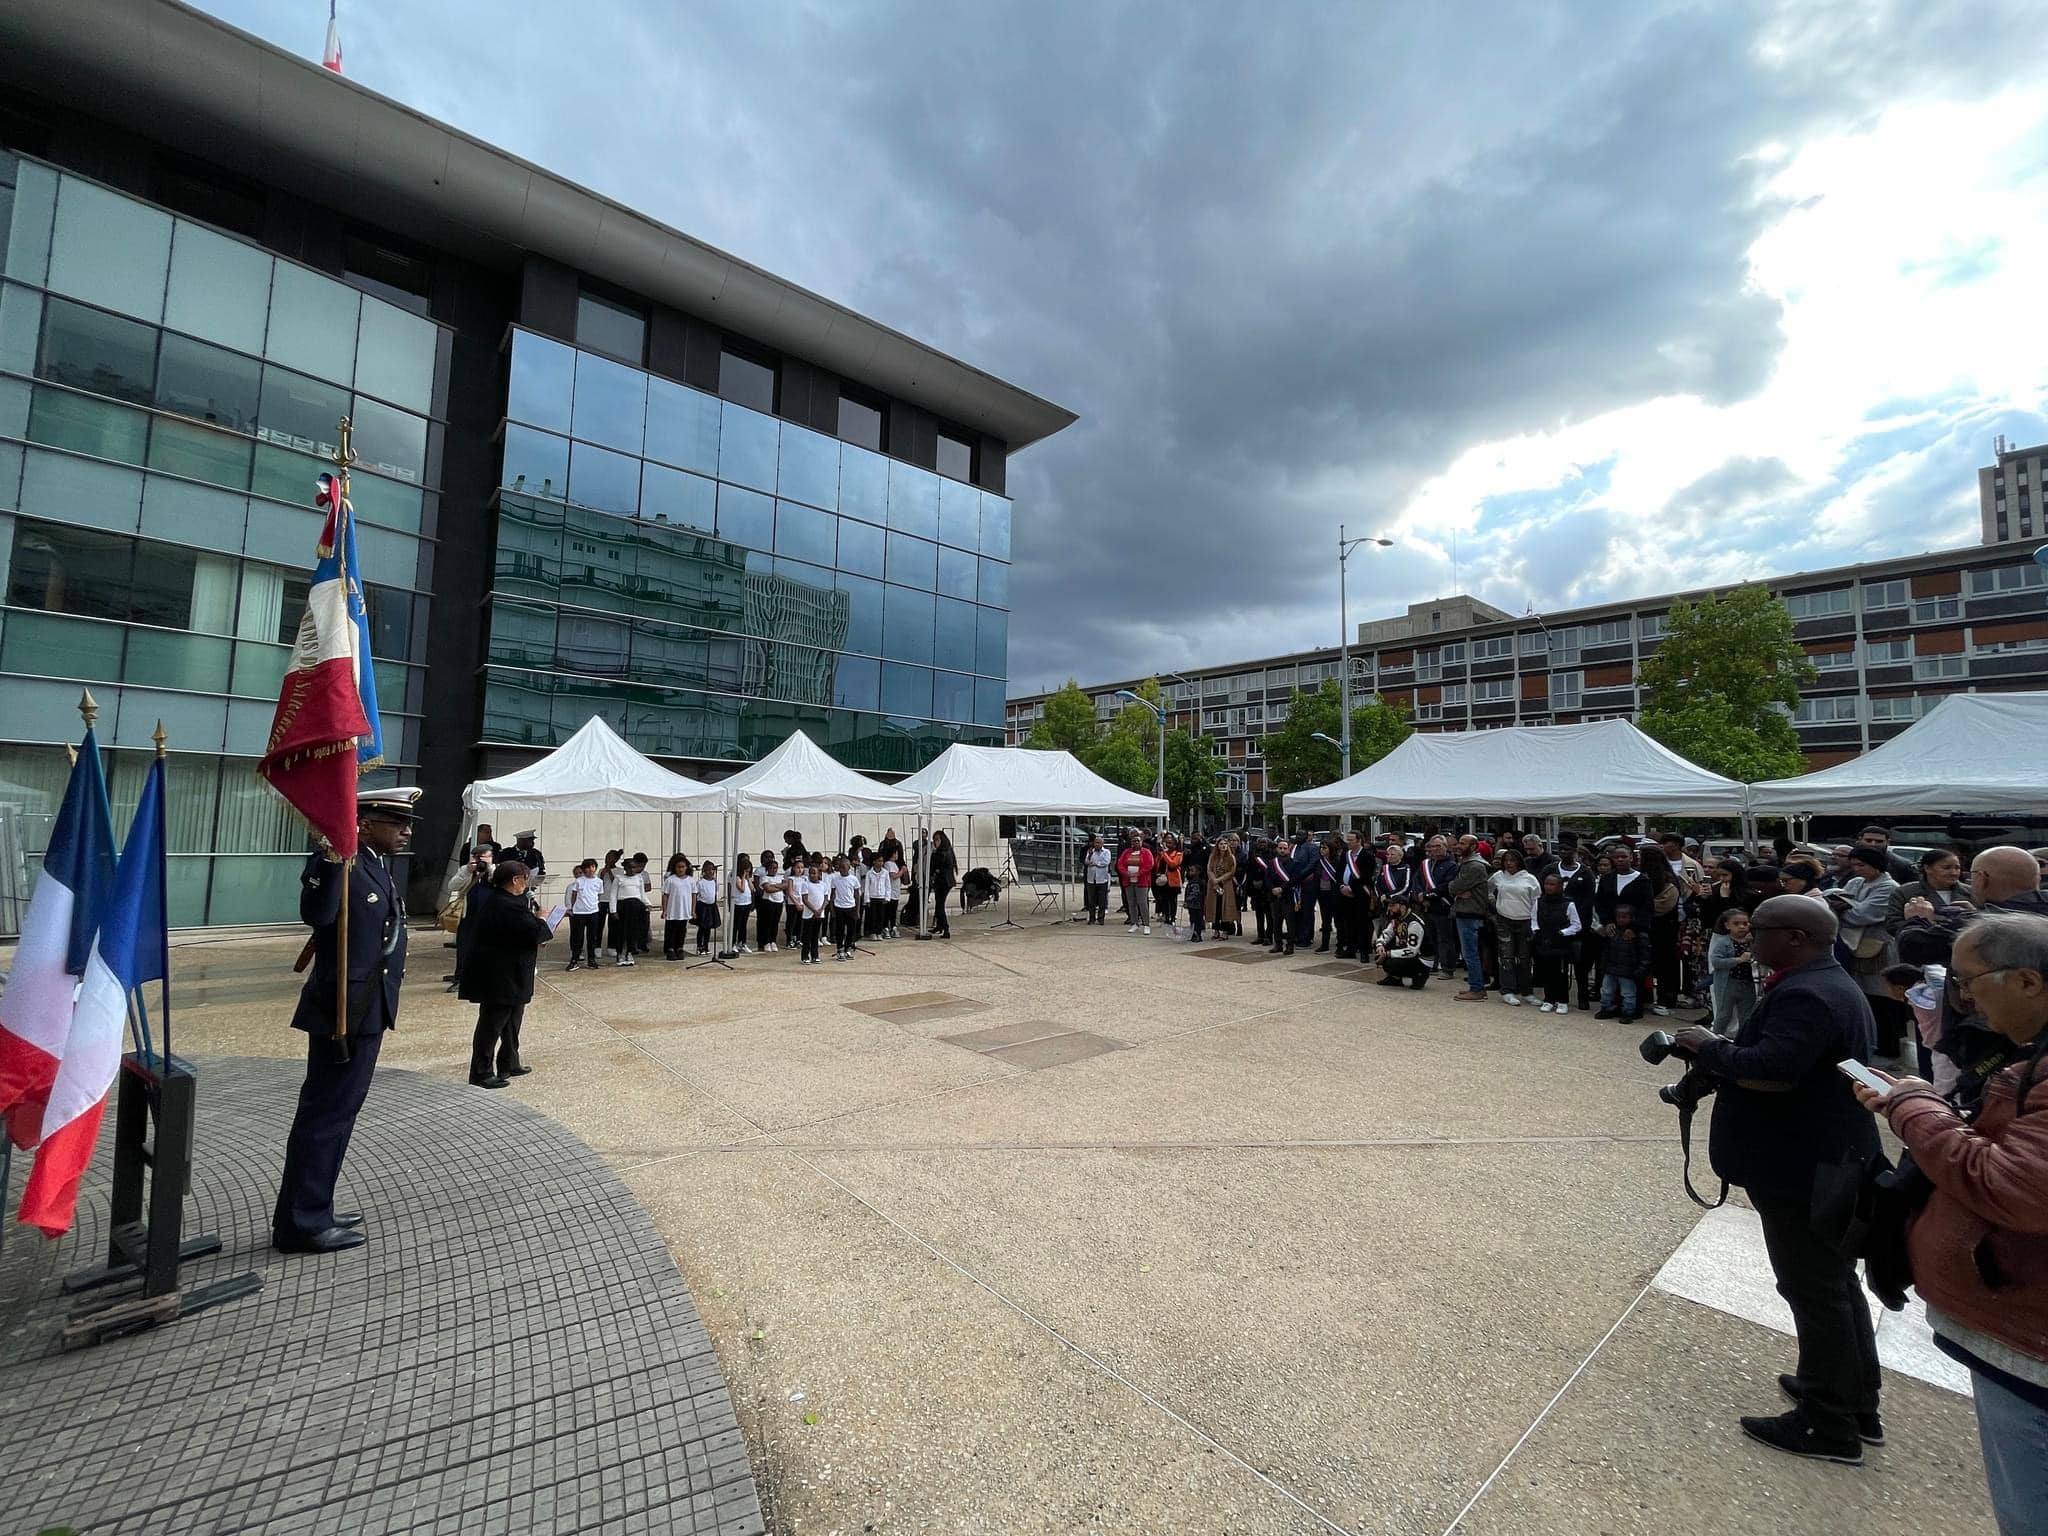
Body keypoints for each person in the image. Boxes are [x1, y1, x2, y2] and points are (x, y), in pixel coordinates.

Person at [1851, 913, 2048, 1530]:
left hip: (2029, 1332)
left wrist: (1913, 1108)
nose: (1961, 1000)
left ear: (2026, 982)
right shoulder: (2026, 1057)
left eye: (1969, 982)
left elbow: (2010, 1187)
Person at [1672, 896, 1883, 1465]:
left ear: (1795, 937)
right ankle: (1853, 1397)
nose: (1749, 941)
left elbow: (1772, 1068)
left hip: (1800, 1164)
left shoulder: (1808, 993)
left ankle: (1827, 1423)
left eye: (1757, 930)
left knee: (1814, 1288)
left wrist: (1706, 1046)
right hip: (1825, 1156)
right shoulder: (1828, 982)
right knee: (1833, 1283)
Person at [272, 787, 419, 1255]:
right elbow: (317, 913)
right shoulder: (342, 860)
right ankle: (302, 1222)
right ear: (366, 822)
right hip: (343, 1012)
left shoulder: (373, 863)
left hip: (366, 1008)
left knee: (339, 1113)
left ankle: (315, 1205)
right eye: (397, 823)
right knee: (326, 1114)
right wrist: (332, 855)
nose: (406, 831)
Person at [461, 857, 554, 1090]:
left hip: (513, 973)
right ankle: (481, 1072)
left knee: (512, 1022)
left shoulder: (510, 901)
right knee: (491, 1025)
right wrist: (542, 919)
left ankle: (509, 1062)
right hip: (500, 976)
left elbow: (524, 933)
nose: (527, 885)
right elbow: (533, 932)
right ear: (515, 880)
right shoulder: (504, 905)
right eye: (525, 880)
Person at [1827, 845, 1904, 1062]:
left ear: (1876, 866)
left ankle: (1890, 1046)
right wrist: (1840, 905)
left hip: (1880, 947)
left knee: (1885, 996)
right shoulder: (1855, 882)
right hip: (1855, 946)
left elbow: (1864, 915)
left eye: (1862, 865)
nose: (1857, 869)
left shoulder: (1889, 887)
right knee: (1865, 995)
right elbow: (1832, 899)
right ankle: (1873, 1039)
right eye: (1854, 865)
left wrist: (1842, 908)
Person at [1488, 847, 1540, 1005]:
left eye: (1512, 860)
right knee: (1506, 957)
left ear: (1519, 862)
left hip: (1525, 921)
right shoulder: (1498, 876)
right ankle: (1507, 990)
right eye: (1506, 861)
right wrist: (1494, 905)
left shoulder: (1529, 879)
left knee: (1525, 958)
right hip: (1504, 920)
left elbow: (1536, 902)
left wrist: (1535, 923)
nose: (1509, 864)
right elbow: (1488, 889)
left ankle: (1526, 991)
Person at [1553, 840, 1599, 1011]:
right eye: (1560, 849)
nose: (1563, 852)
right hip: (1556, 926)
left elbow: (1588, 901)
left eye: (1567, 849)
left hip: (1579, 926)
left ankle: (1583, 997)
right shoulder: (1550, 869)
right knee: (1558, 965)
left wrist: (1578, 922)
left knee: (1581, 964)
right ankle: (1559, 997)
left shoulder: (1586, 873)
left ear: (1575, 851)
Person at [1530, 871, 1583, 1013]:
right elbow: (1534, 920)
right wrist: (1536, 931)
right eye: (1546, 884)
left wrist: (1563, 933)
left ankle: (1562, 1001)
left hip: (1561, 944)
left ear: (1560, 887)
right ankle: (1549, 999)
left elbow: (1576, 925)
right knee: (1547, 973)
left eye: (1552, 884)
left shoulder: (1568, 904)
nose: (1548, 887)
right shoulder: (1539, 902)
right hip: (1544, 942)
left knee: (1561, 974)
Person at [1449, 835, 1492, 1000]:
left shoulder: (1474, 866)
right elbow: (1454, 887)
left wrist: (1457, 889)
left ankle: (1477, 988)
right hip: (1464, 911)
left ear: (1474, 846)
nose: (1458, 846)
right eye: (1458, 842)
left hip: (1470, 913)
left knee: (1470, 953)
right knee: (1470, 952)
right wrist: (1458, 890)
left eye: (1463, 843)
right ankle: (1476, 985)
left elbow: (1454, 887)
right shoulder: (1467, 864)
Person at [1886, 846, 1967, 931]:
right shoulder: (1905, 892)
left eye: (1957, 868)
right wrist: (1921, 923)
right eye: (1946, 868)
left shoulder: (1972, 892)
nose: (1954, 873)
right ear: (1927, 868)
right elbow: (1893, 925)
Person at [1593, 904, 1651, 1022]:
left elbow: (1645, 955)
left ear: (1632, 918)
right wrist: (1603, 966)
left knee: (1628, 994)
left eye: (1624, 917)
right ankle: (1605, 1009)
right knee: (1606, 991)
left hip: (1628, 971)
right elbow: (1606, 951)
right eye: (1618, 917)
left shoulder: (1638, 935)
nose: (1621, 919)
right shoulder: (1612, 932)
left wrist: (1640, 970)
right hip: (1611, 969)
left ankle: (1628, 1013)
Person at [1707, 908, 1758, 1037]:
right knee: (1723, 1015)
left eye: (1745, 924)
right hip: (1728, 984)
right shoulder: (1724, 942)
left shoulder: (1752, 943)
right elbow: (1716, 962)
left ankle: (1742, 1042)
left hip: (1747, 984)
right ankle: (1713, 1040)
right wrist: (1738, 960)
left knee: (1746, 1016)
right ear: (1727, 925)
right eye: (1736, 924)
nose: (1741, 927)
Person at [1372, 897, 1430, 989]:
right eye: (1389, 906)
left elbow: (1412, 951)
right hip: (1408, 951)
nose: (1389, 909)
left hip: (1422, 958)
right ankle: (1395, 978)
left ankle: (1420, 975)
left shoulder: (1414, 923)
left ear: (1403, 907)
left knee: (1390, 962)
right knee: (1380, 950)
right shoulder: (1397, 918)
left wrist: (1387, 954)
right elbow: (1386, 934)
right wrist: (1380, 946)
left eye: (1392, 906)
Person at [564, 858, 603, 971]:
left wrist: (595, 906)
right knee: (578, 937)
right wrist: (572, 908)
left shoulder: (599, 882)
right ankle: (574, 959)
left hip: (593, 912)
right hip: (579, 912)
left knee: (592, 937)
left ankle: (591, 959)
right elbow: (574, 895)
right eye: (587, 867)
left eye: (592, 867)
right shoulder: (579, 881)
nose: (590, 869)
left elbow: (599, 895)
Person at [612, 854, 650, 966]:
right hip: (623, 906)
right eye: (630, 867)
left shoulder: (639, 878)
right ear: (625, 868)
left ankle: (629, 952)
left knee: (633, 931)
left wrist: (648, 904)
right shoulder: (619, 878)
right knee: (621, 931)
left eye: (634, 867)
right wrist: (613, 910)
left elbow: (642, 894)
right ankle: (620, 953)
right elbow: (613, 895)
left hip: (636, 907)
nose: (633, 870)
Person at [659, 854, 694, 961]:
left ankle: (679, 948)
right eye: (678, 867)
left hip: (684, 910)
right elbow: (665, 895)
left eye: (683, 867)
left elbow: (694, 895)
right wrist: (664, 910)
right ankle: (670, 948)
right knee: (671, 930)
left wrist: (693, 910)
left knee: (682, 930)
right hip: (672, 910)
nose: (681, 869)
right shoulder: (670, 880)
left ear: (686, 867)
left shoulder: (691, 880)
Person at [828, 852, 862, 959]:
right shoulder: (835, 879)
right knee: (840, 930)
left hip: (851, 907)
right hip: (839, 907)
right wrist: (832, 909)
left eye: (844, 867)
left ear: (849, 867)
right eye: (840, 867)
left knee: (851, 930)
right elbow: (832, 894)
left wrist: (857, 910)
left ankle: (847, 948)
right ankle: (839, 949)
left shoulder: (853, 879)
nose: (842, 869)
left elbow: (857, 895)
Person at [1119, 836, 1156, 935]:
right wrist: (1126, 873)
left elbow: (1149, 865)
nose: (1135, 843)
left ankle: (1146, 924)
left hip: (1142, 881)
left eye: (1138, 841)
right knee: (1131, 903)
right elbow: (1120, 864)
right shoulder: (1126, 852)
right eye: (1133, 841)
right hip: (1128, 881)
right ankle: (1134, 923)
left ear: (1141, 842)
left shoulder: (1146, 852)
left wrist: (1138, 873)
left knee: (1142, 903)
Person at [1205, 834, 1238, 939]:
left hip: (1225, 884)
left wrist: (1219, 879)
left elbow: (1231, 872)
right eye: (1221, 844)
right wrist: (1214, 880)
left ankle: (1225, 931)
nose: (1223, 846)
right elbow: (1209, 869)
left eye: (1225, 844)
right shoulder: (1213, 856)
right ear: (1217, 846)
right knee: (1215, 907)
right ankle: (1216, 930)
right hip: (1214, 885)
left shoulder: (1230, 857)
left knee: (1225, 908)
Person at [798, 854, 828, 963]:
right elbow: (805, 899)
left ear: (819, 874)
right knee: (807, 936)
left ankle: (815, 955)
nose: (812, 875)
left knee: (815, 936)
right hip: (809, 914)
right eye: (810, 873)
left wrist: (820, 910)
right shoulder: (805, 884)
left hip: (820, 913)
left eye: (814, 873)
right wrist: (814, 910)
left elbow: (826, 899)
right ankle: (805, 956)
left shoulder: (823, 885)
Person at [928, 830, 958, 938]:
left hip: (943, 882)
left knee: (940, 906)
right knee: (939, 904)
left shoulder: (941, 853)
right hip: (945, 881)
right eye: (934, 840)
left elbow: (934, 866)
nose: (935, 842)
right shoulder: (948, 850)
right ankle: (939, 926)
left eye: (937, 840)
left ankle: (946, 928)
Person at [755, 851, 785, 954]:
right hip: (768, 902)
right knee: (767, 922)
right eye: (772, 868)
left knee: (775, 922)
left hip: (779, 902)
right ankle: (766, 941)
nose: (774, 870)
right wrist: (778, 887)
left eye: (776, 868)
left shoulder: (780, 877)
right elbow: (768, 889)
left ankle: (773, 941)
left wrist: (775, 886)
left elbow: (785, 885)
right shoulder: (764, 877)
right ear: (768, 869)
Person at [1082, 834, 1112, 925]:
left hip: (1102, 879)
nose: (1097, 844)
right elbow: (1087, 862)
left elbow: (1105, 862)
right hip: (1091, 878)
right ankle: (1092, 918)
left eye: (1099, 843)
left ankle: (1101, 918)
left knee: (1102, 900)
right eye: (1096, 843)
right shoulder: (1090, 851)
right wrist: (1090, 857)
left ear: (1102, 843)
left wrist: (1095, 863)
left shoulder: (1106, 852)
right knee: (1091, 900)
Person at [693, 860, 721, 955]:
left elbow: (715, 893)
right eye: (708, 870)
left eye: (712, 869)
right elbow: (696, 895)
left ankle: (706, 945)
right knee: (702, 928)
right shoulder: (700, 883)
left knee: (708, 928)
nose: (710, 872)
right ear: (704, 871)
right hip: (702, 907)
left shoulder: (715, 882)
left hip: (711, 906)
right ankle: (699, 946)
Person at [1158, 833, 1183, 934]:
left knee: (1172, 901)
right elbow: (1159, 864)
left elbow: (1173, 864)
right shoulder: (1162, 853)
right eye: (1167, 842)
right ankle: (1166, 917)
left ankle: (1172, 918)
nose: (1168, 844)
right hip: (1163, 880)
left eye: (1170, 842)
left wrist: (1165, 854)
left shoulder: (1178, 854)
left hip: (1173, 880)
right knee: (1164, 900)